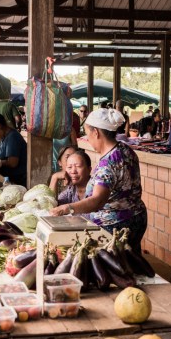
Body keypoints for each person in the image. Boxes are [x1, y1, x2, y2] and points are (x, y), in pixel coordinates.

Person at [49, 108, 148, 253]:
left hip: (115, 227)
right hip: (137, 217)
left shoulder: (107, 164)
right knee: (130, 260)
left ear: (96, 132)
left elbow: (97, 201)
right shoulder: (126, 150)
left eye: (87, 134)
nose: (88, 139)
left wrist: (68, 208)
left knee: (112, 264)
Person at [0, 112, 27, 187]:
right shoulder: (3, 137)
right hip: (9, 178)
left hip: (18, 180)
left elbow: (13, 163)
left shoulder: (12, 137)